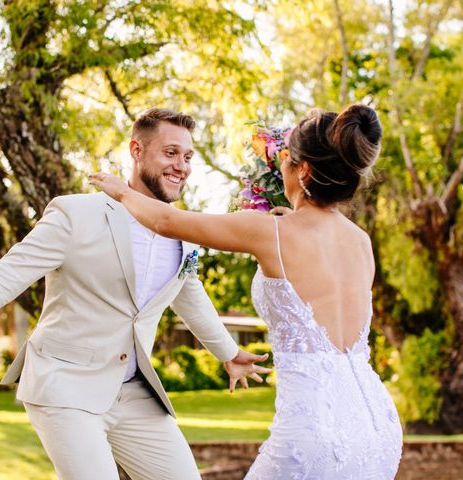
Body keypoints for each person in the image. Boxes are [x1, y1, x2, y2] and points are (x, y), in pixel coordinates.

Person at [0, 108, 269, 480]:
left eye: (188, 156)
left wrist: (229, 354)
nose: (181, 166)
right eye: (170, 153)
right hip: (65, 385)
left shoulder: (181, 230)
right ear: (136, 150)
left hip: (132, 391)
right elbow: (2, 279)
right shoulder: (77, 215)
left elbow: (189, 294)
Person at [90, 104, 403, 479]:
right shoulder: (360, 241)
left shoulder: (269, 231)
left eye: (286, 161)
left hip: (313, 431)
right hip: (377, 425)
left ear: (303, 171)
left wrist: (121, 193)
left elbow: (167, 221)